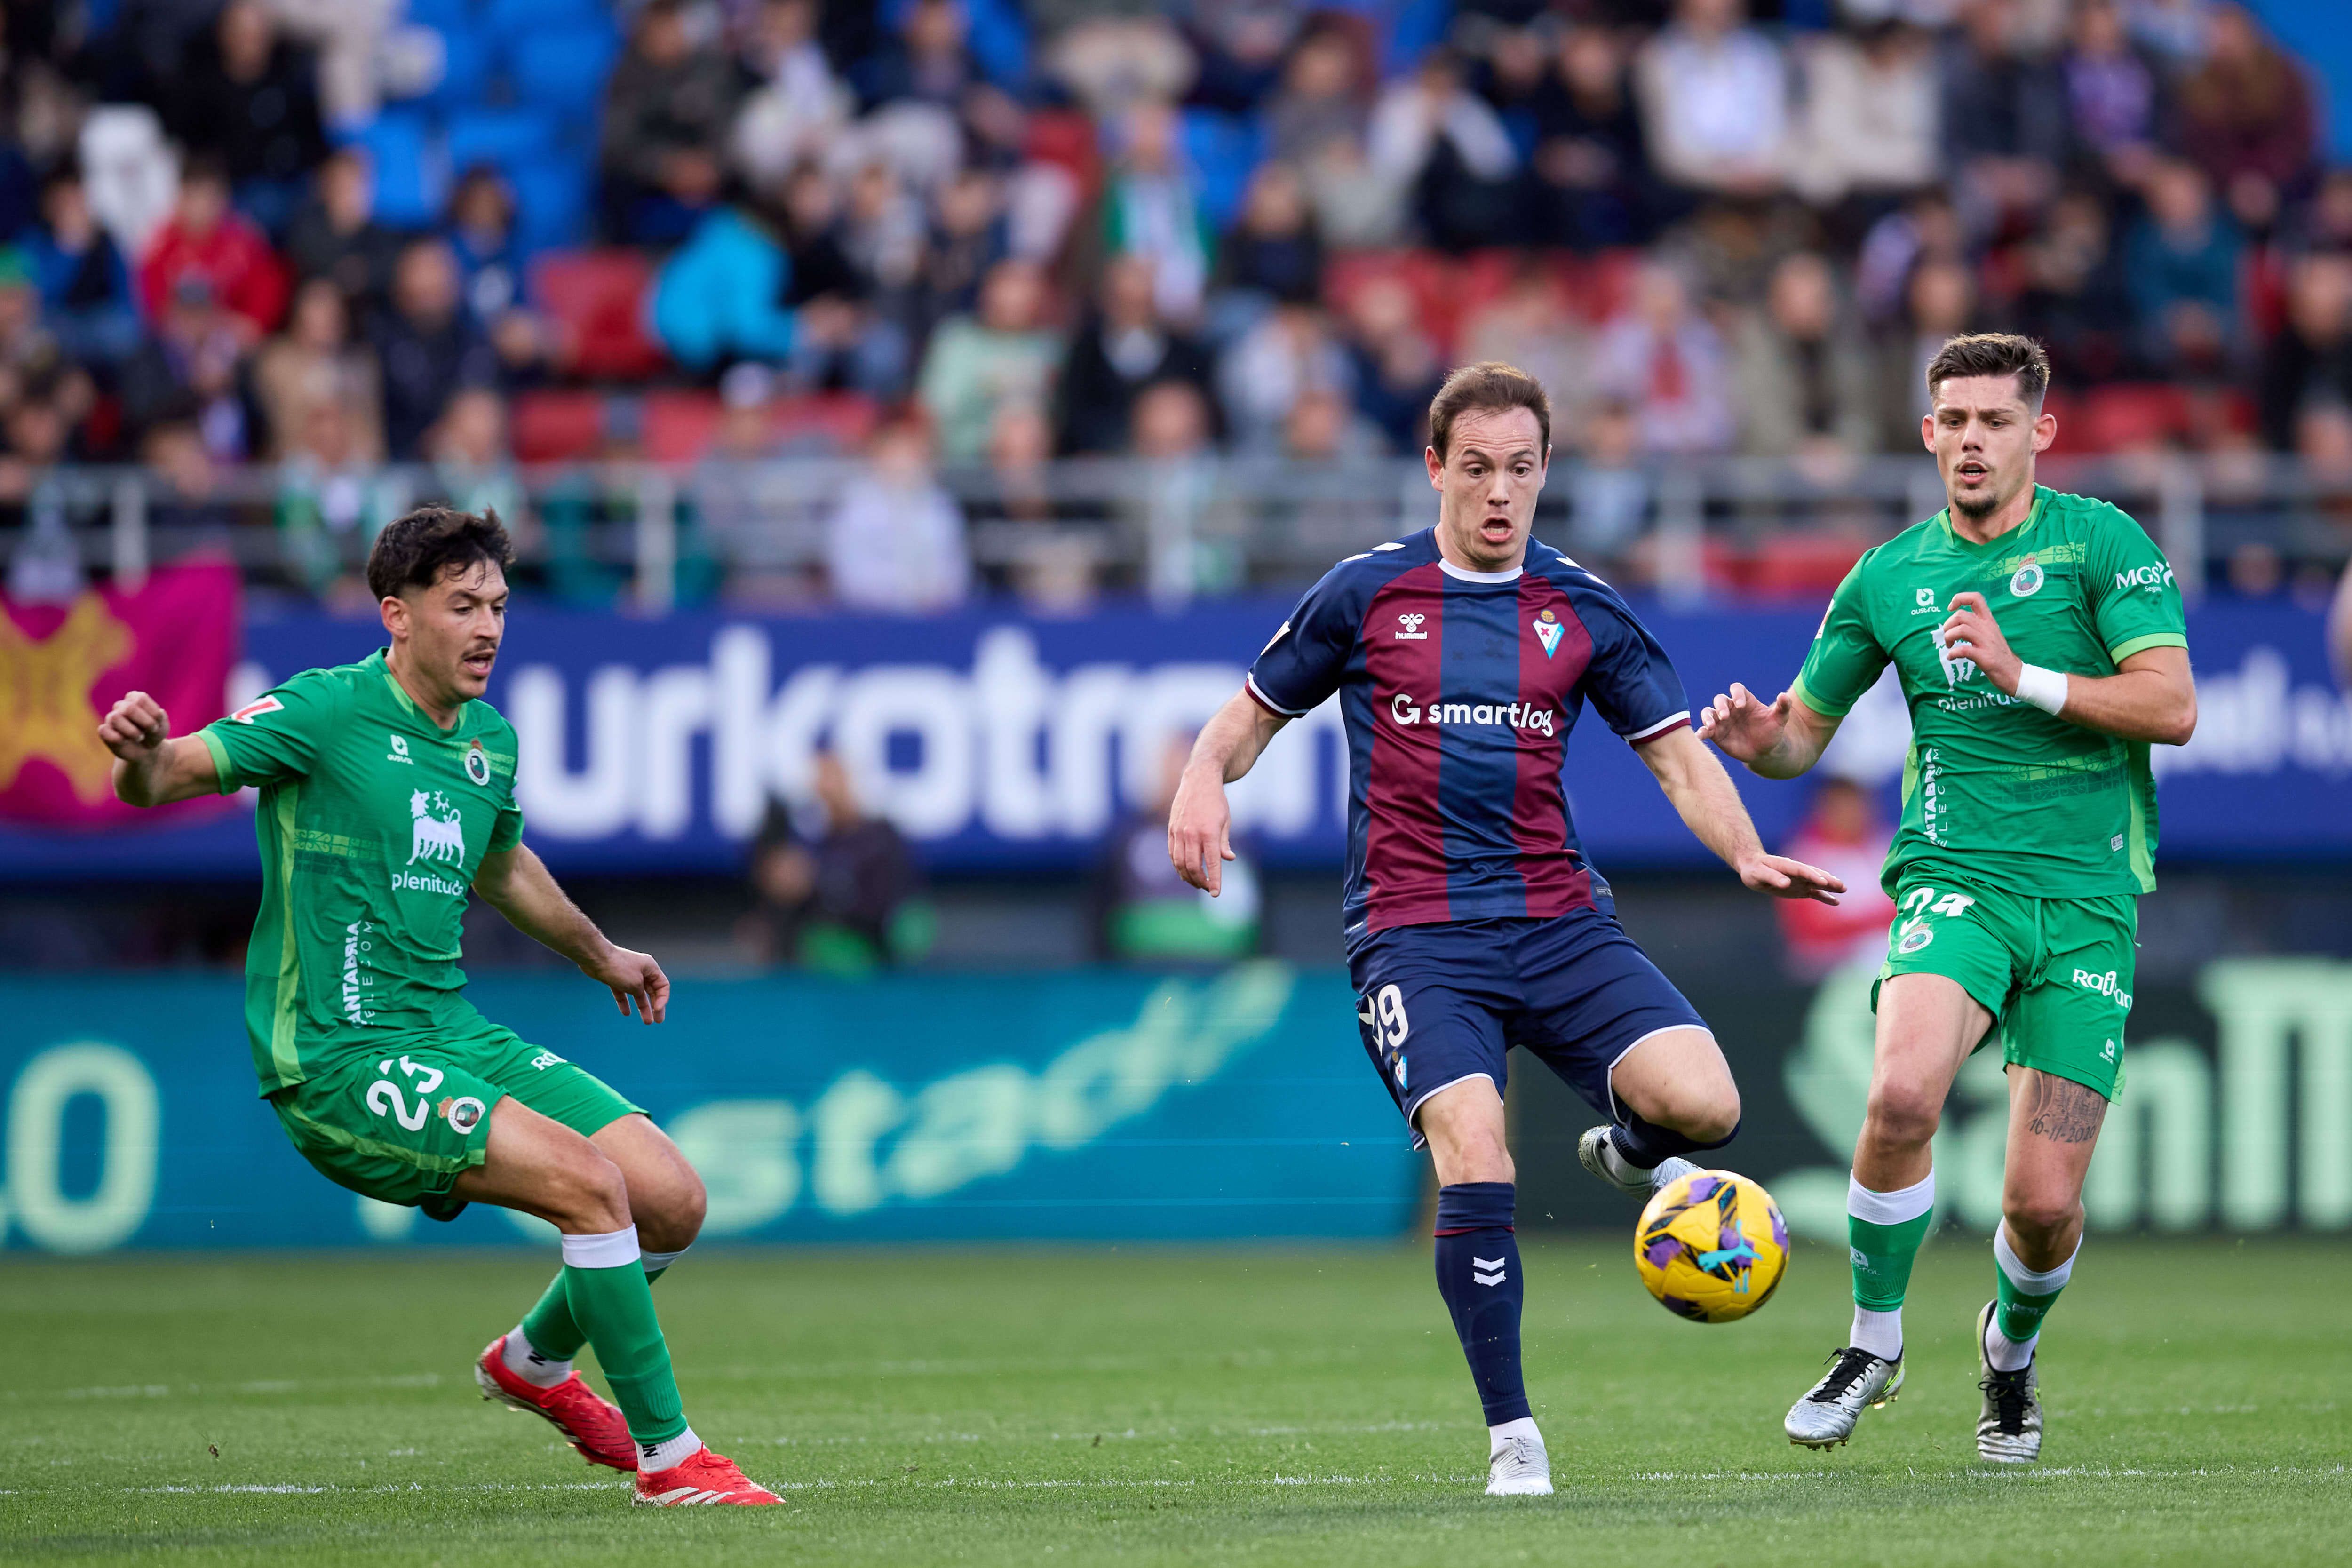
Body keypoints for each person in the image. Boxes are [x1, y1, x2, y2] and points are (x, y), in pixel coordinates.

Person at [1166, 362, 1843, 1498]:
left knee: (1708, 1106)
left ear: (1543, 474)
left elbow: (1677, 755)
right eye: (1475, 468)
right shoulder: (1366, 595)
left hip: (1557, 921)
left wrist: (1742, 851)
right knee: (1475, 1154)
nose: (1497, 494)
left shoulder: (1579, 608)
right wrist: (1200, 780)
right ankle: (1513, 1439)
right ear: (1435, 467)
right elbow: (1246, 715)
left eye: (1520, 470)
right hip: (1413, 934)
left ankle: (1630, 1153)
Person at [94, 507, 780, 1507]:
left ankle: (533, 1364)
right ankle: (672, 1459)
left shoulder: (488, 743)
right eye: (462, 605)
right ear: (397, 614)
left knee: (672, 1198)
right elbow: (165, 777)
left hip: (452, 1031)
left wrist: (601, 953)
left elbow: (502, 866)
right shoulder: (324, 712)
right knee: (591, 1186)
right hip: (338, 1054)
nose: (488, 628)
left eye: (498, 605)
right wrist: (138, 749)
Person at [1697, 333, 2197, 1463]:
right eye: (1953, 423)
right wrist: (1753, 742)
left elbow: (2170, 706)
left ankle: (2008, 1355)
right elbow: (1798, 737)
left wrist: (2024, 675)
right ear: (1926, 434)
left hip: (2084, 903)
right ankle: (1874, 1341)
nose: (1971, 442)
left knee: (2039, 1204)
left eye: (1994, 422)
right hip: (1954, 880)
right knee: (1902, 1098)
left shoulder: (2101, 544)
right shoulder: (1888, 576)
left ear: (2039, 433)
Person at [742, 750, 926, 972]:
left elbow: (886, 897)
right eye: (821, 780)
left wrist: (818, 880)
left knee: (911, 929)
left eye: (833, 778)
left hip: (881, 934)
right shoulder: (808, 842)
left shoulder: (881, 836)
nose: (827, 788)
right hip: (833, 938)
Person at [1775, 777, 1899, 980]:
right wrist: (1876, 921)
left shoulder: (1891, 847)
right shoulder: (1803, 857)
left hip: (1892, 952)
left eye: (1856, 806)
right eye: (1840, 808)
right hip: (1827, 964)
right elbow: (1812, 930)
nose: (1851, 815)